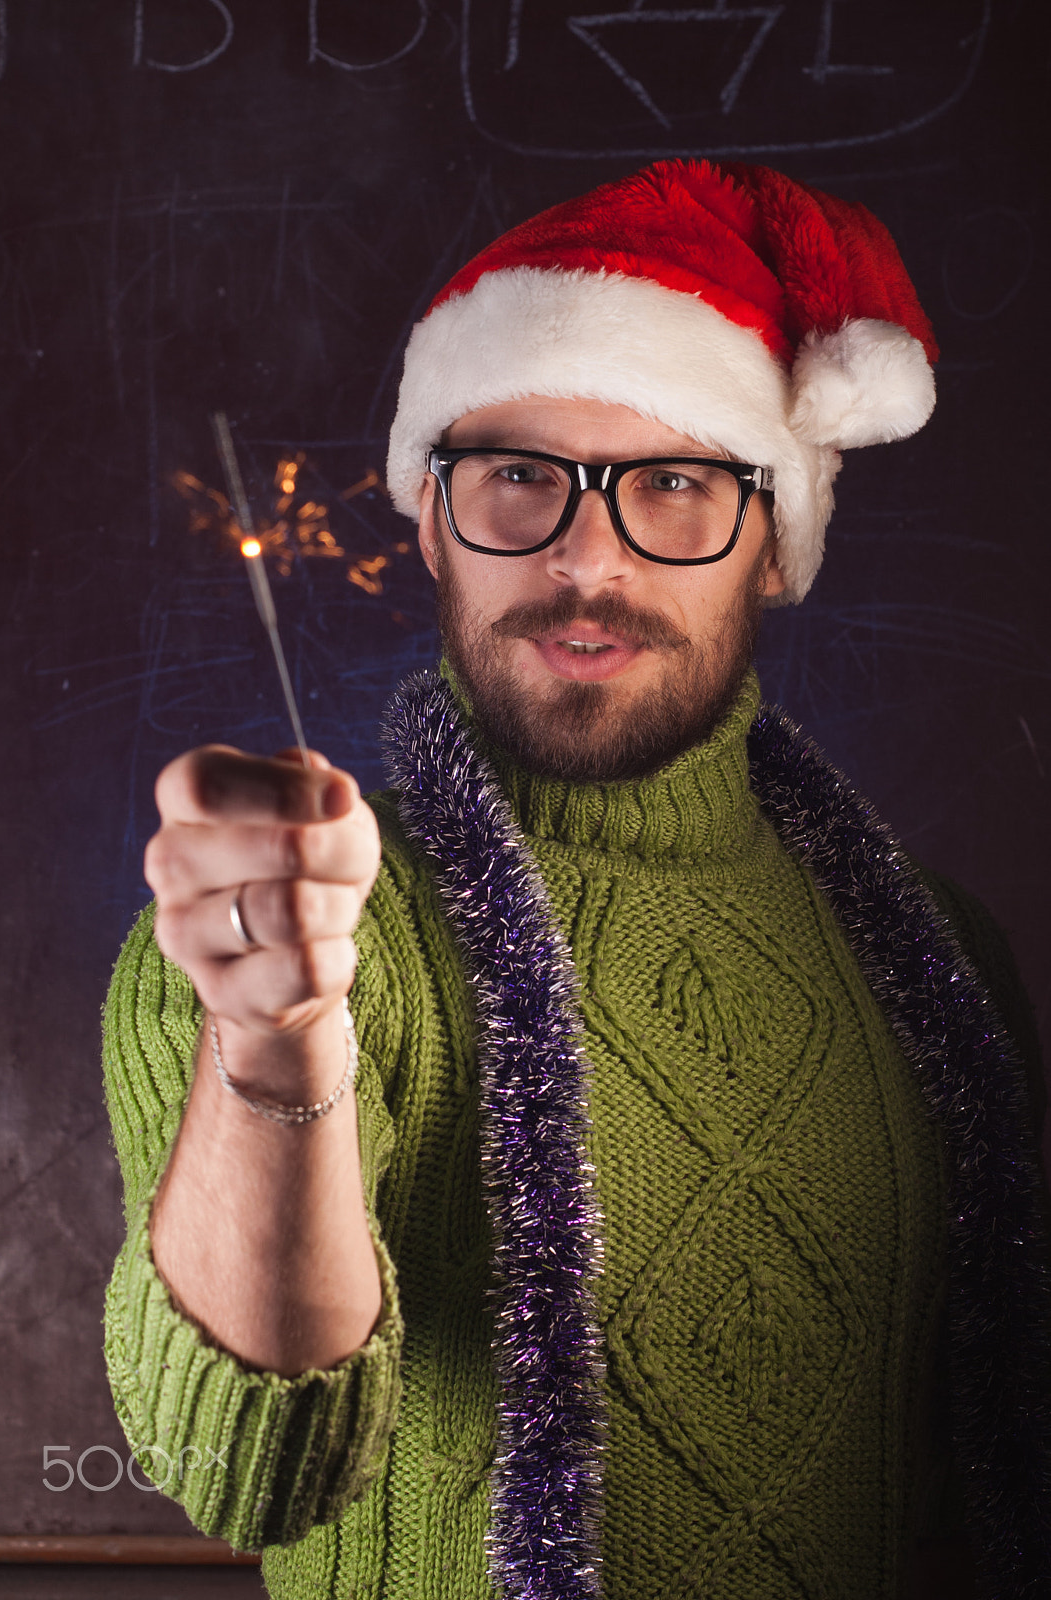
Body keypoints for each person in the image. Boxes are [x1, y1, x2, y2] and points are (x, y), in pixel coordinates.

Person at [103, 161, 1049, 1599]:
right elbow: (250, 1478)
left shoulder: (947, 965)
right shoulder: (270, 935)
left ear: (779, 540)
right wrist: (272, 1044)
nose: (586, 557)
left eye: (673, 482)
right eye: (521, 480)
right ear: (430, 520)